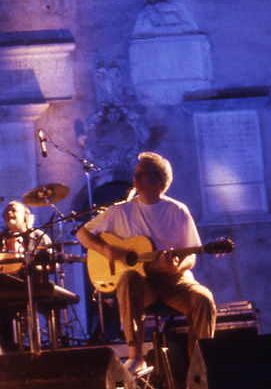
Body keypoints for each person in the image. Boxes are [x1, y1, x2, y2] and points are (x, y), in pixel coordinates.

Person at [76, 152, 216, 376]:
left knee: (204, 299)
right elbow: (82, 233)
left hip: (174, 280)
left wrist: (176, 266)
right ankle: (136, 357)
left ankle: (200, 368)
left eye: (143, 174)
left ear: (161, 181)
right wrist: (106, 249)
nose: (136, 178)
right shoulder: (119, 211)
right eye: (135, 174)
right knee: (129, 277)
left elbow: (191, 255)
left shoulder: (177, 211)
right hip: (142, 284)